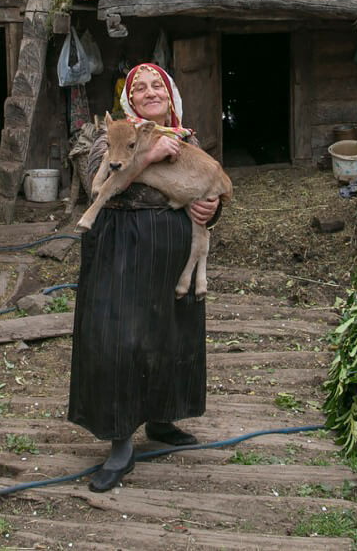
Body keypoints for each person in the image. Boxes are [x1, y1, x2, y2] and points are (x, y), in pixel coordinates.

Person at [68, 62, 221, 492]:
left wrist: (212, 208)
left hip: (171, 251)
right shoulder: (107, 135)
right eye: (141, 88)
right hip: (121, 248)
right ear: (129, 99)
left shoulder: (186, 139)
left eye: (158, 85)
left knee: (170, 336)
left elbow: (207, 182)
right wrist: (148, 155)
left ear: (170, 95)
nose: (150, 92)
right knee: (119, 338)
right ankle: (120, 441)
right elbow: (94, 180)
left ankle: (161, 420)